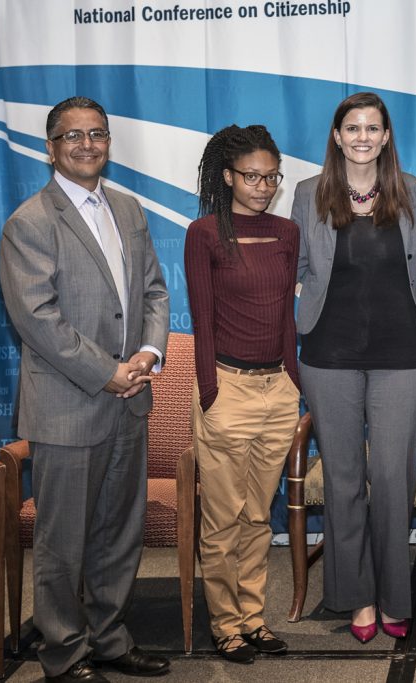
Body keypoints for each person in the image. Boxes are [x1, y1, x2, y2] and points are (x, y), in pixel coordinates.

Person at [0, 96, 170, 683]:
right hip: (70, 407)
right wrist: (108, 371)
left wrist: (148, 354)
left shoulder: (127, 209)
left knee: (118, 535)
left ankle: (110, 640)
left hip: (130, 400)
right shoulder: (30, 221)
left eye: (97, 134)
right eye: (73, 136)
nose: (87, 145)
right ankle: (64, 654)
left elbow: (153, 291)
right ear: (51, 147)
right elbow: (37, 320)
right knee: (62, 543)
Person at [291, 92, 416, 644]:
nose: (363, 137)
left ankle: (396, 595)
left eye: (373, 128)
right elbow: (297, 265)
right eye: (353, 128)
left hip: (401, 353)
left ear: (387, 136)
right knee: (344, 479)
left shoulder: (415, 192)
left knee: (394, 478)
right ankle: (357, 597)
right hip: (329, 354)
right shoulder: (308, 193)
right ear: (337, 136)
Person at [185, 124, 300, 663]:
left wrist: (293, 381)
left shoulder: (286, 231)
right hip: (225, 389)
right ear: (228, 176)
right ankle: (224, 623)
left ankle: (253, 618)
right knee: (223, 518)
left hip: (277, 390)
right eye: (251, 176)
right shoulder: (205, 233)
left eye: (271, 176)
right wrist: (209, 391)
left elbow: (284, 319)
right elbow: (203, 320)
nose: (262, 186)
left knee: (259, 516)